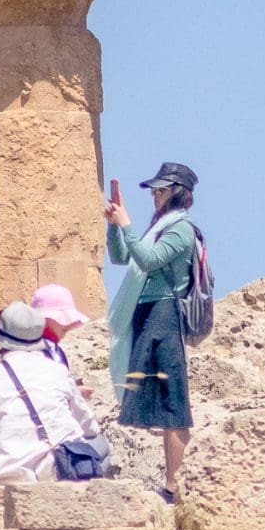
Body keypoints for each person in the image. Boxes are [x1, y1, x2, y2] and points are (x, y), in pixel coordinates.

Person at [105, 161, 200, 502]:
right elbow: (121, 257)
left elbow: (148, 259)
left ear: (177, 192)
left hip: (164, 314)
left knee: (173, 402)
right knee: (159, 402)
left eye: (161, 189)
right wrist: (114, 226)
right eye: (154, 190)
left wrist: (127, 224)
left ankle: (175, 486)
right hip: (145, 313)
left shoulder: (181, 230)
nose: (155, 195)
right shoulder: (157, 227)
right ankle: (171, 483)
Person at [0, 301, 100, 487]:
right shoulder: (59, 371)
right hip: (55, 468)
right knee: (99, 445)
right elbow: (90, 428)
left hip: (0, 470)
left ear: (1, 339)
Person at [28, 282, 97, 400]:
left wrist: (75, 392)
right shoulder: (29, 350)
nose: (69, 324)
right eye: (61, 319)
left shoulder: (55, 350)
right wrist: (73, 392)